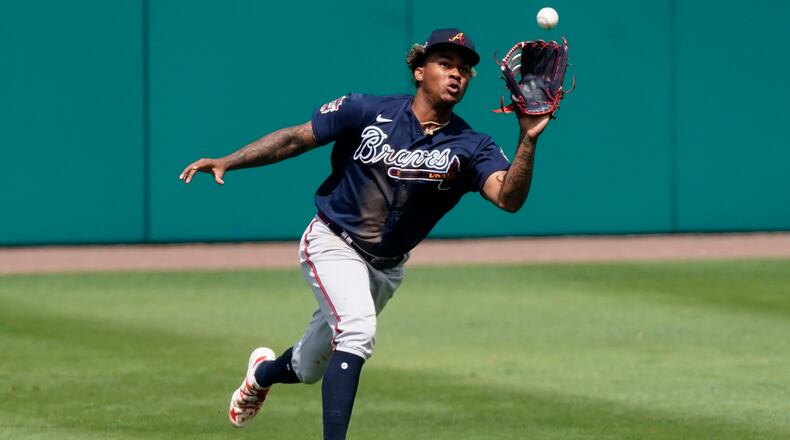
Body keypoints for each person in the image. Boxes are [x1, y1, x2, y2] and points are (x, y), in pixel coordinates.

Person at [179, 28, 550, 440]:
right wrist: (228, 161)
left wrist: (527, 138)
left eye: (463, 69)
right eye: (445, 64)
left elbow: (508, 198)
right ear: (418, 70)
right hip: (333, 242)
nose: (456, 74)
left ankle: (261, 374)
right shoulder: (365, 109)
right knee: (356, 330)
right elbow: (293, 140)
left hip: (386, 269)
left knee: (308, 367)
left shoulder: (472, 145)